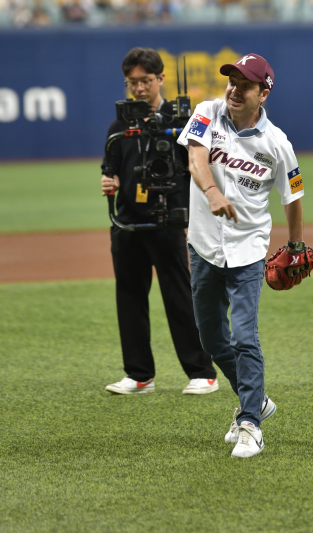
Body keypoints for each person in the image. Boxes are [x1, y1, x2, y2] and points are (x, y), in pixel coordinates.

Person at [177, 53, 305, 458]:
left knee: (244, 334)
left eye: (244, 84)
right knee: (211, 338)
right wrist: (212, 192)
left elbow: (293, 196)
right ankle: (258, 399)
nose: (233, 89)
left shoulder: (278, 144)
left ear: (263, 93)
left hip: (248, 247)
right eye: (231, 81)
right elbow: (195, 156)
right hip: (203, 246)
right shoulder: (206, 112)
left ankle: (250, 422)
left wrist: (296, 246)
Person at [100, 47, 217, 396]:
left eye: (145, 81)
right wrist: (111, 181)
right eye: (131, 82)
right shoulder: (119, 124)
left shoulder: (181, 119)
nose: (138, 88)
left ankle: (201, 372)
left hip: (169, 219)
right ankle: (139, 375)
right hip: (128, 222)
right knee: (130, 296)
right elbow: (110, 171)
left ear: (161, 79)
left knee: (179, 295)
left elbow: (199, 163)